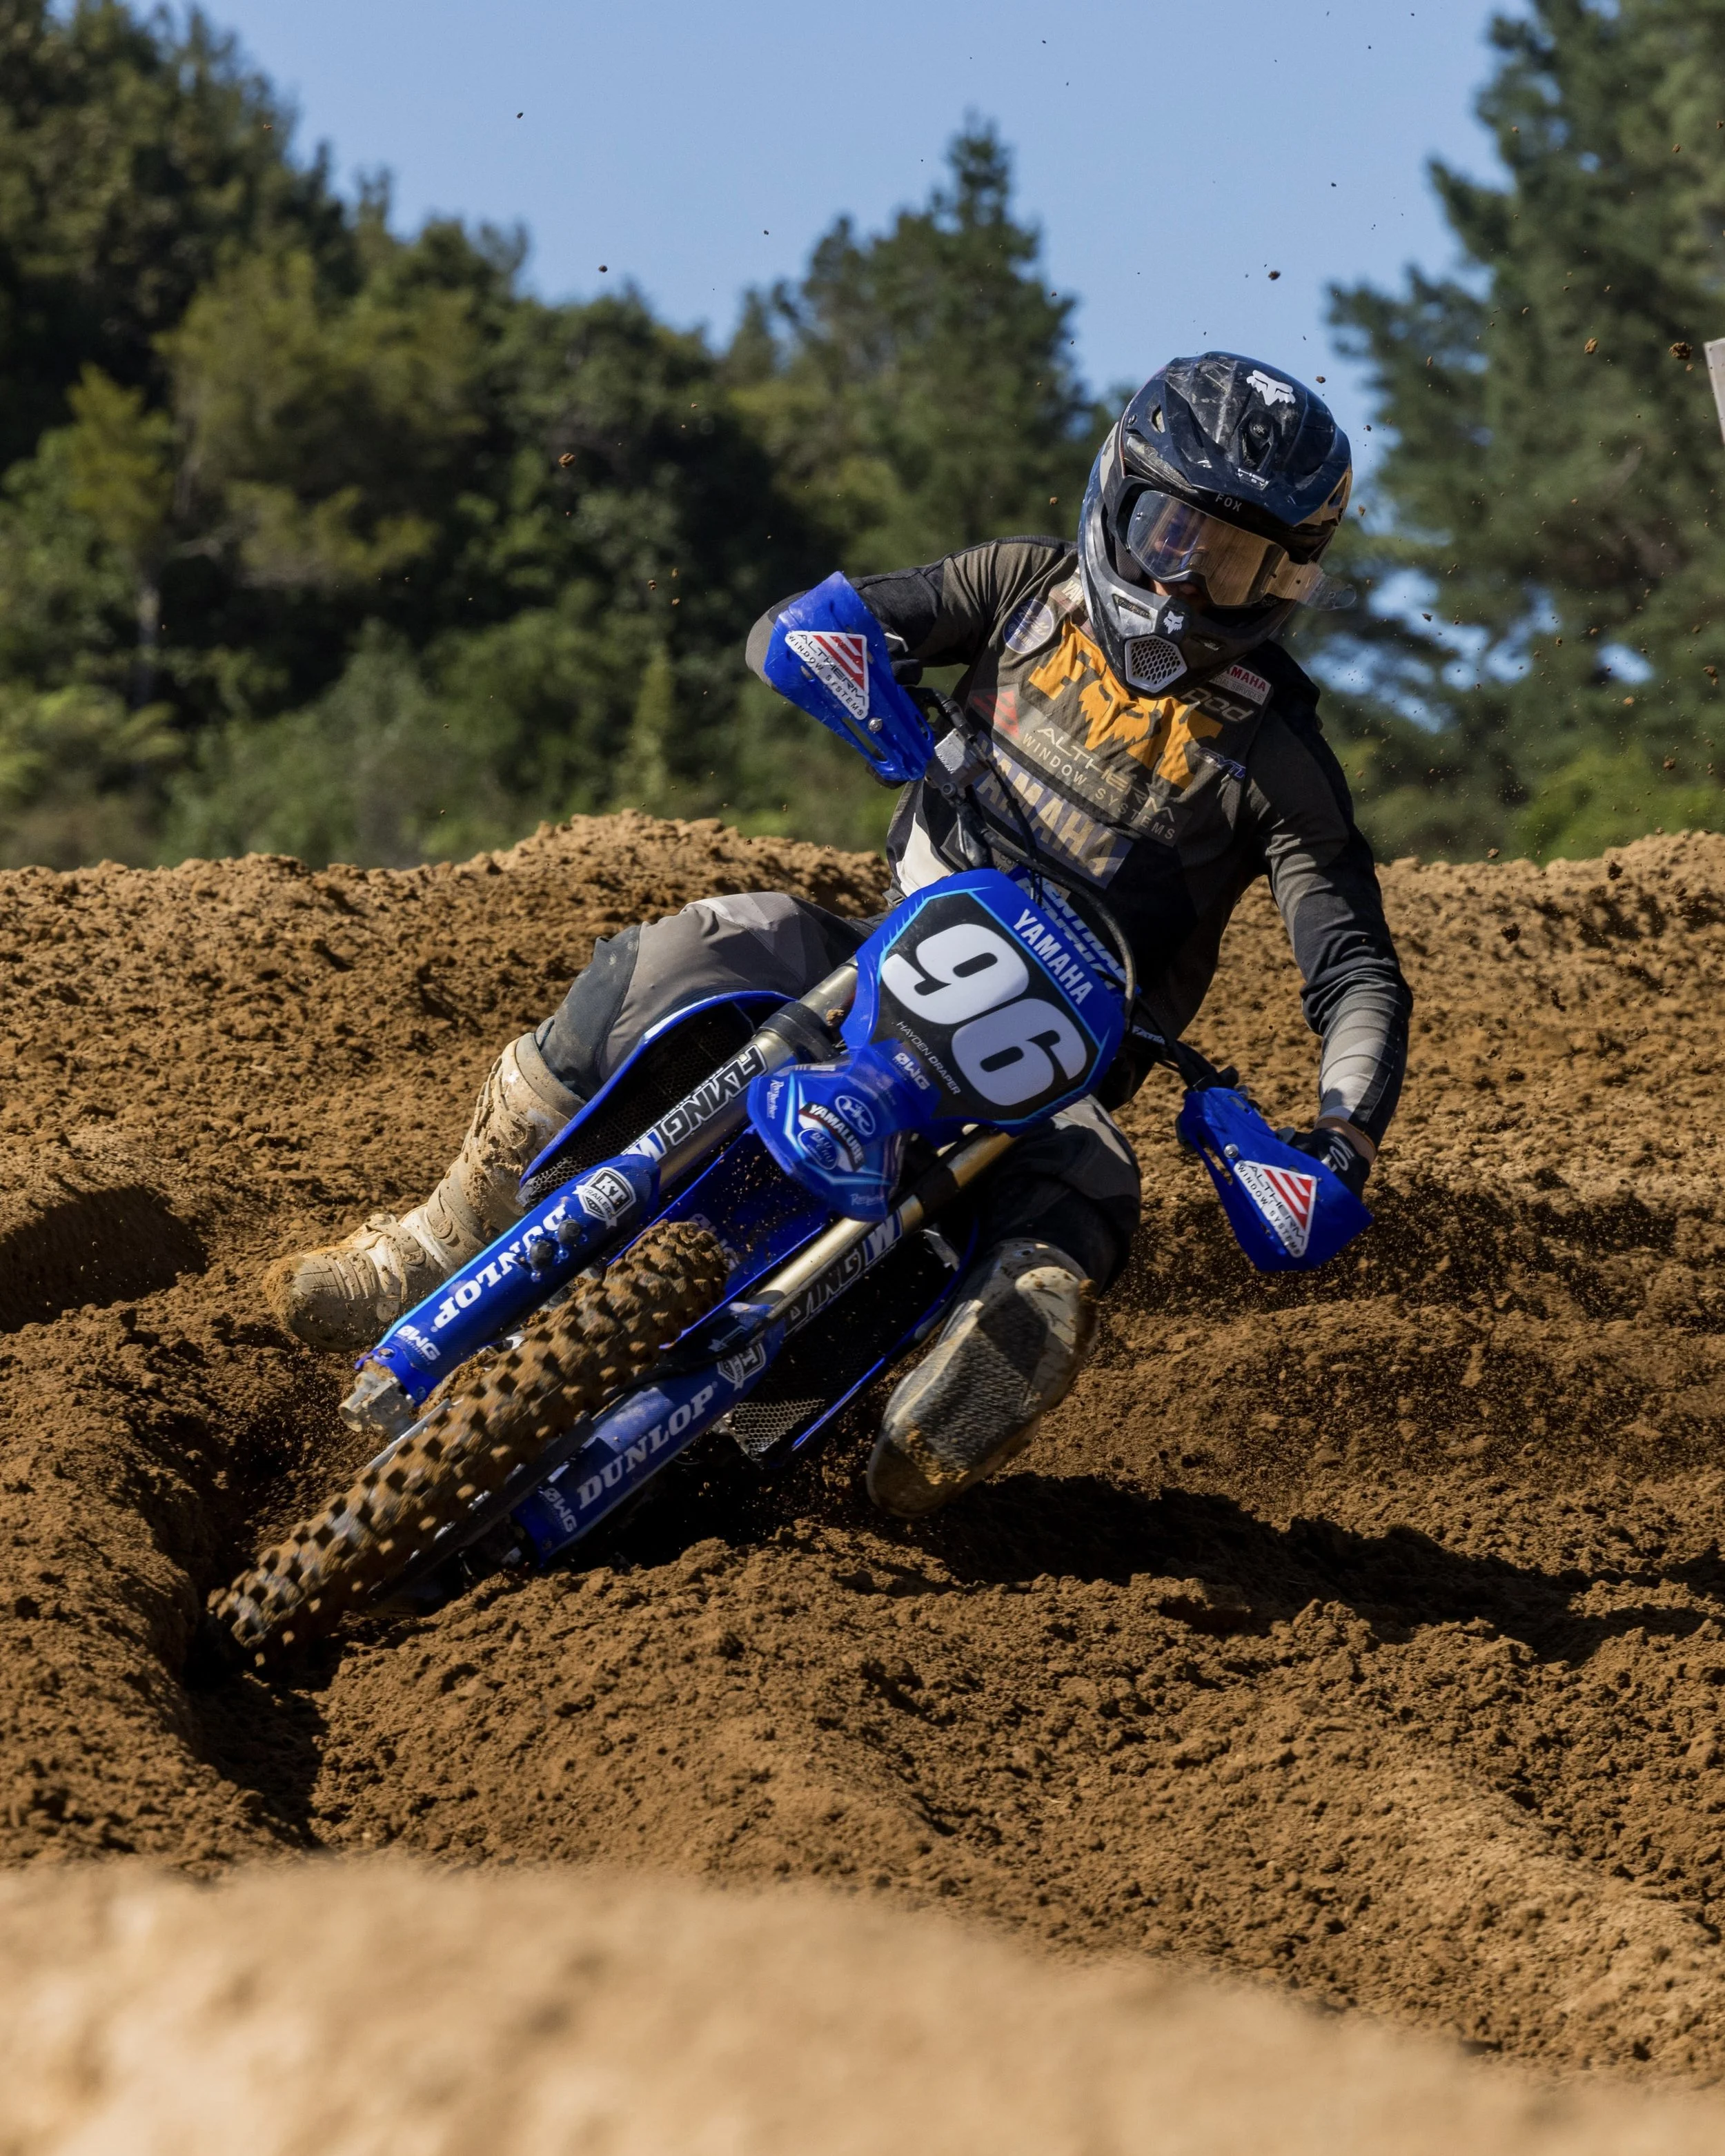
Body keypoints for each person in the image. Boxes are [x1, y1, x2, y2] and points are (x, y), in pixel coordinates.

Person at [268, 351, 1412, 1519]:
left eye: (1238, 564)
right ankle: (433, 1245)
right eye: (1175, 535)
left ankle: (931, 1431)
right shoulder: (1023, 588)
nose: (1188, 583)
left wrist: (1339, 1139)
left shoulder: (1280, 761)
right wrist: (867, 688)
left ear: (1289, 580)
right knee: (695, 945)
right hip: (873, 962)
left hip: (1045, 1086)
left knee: (1087, 1206)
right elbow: (805, 625)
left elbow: (1356, 968)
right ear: (1117, 497)